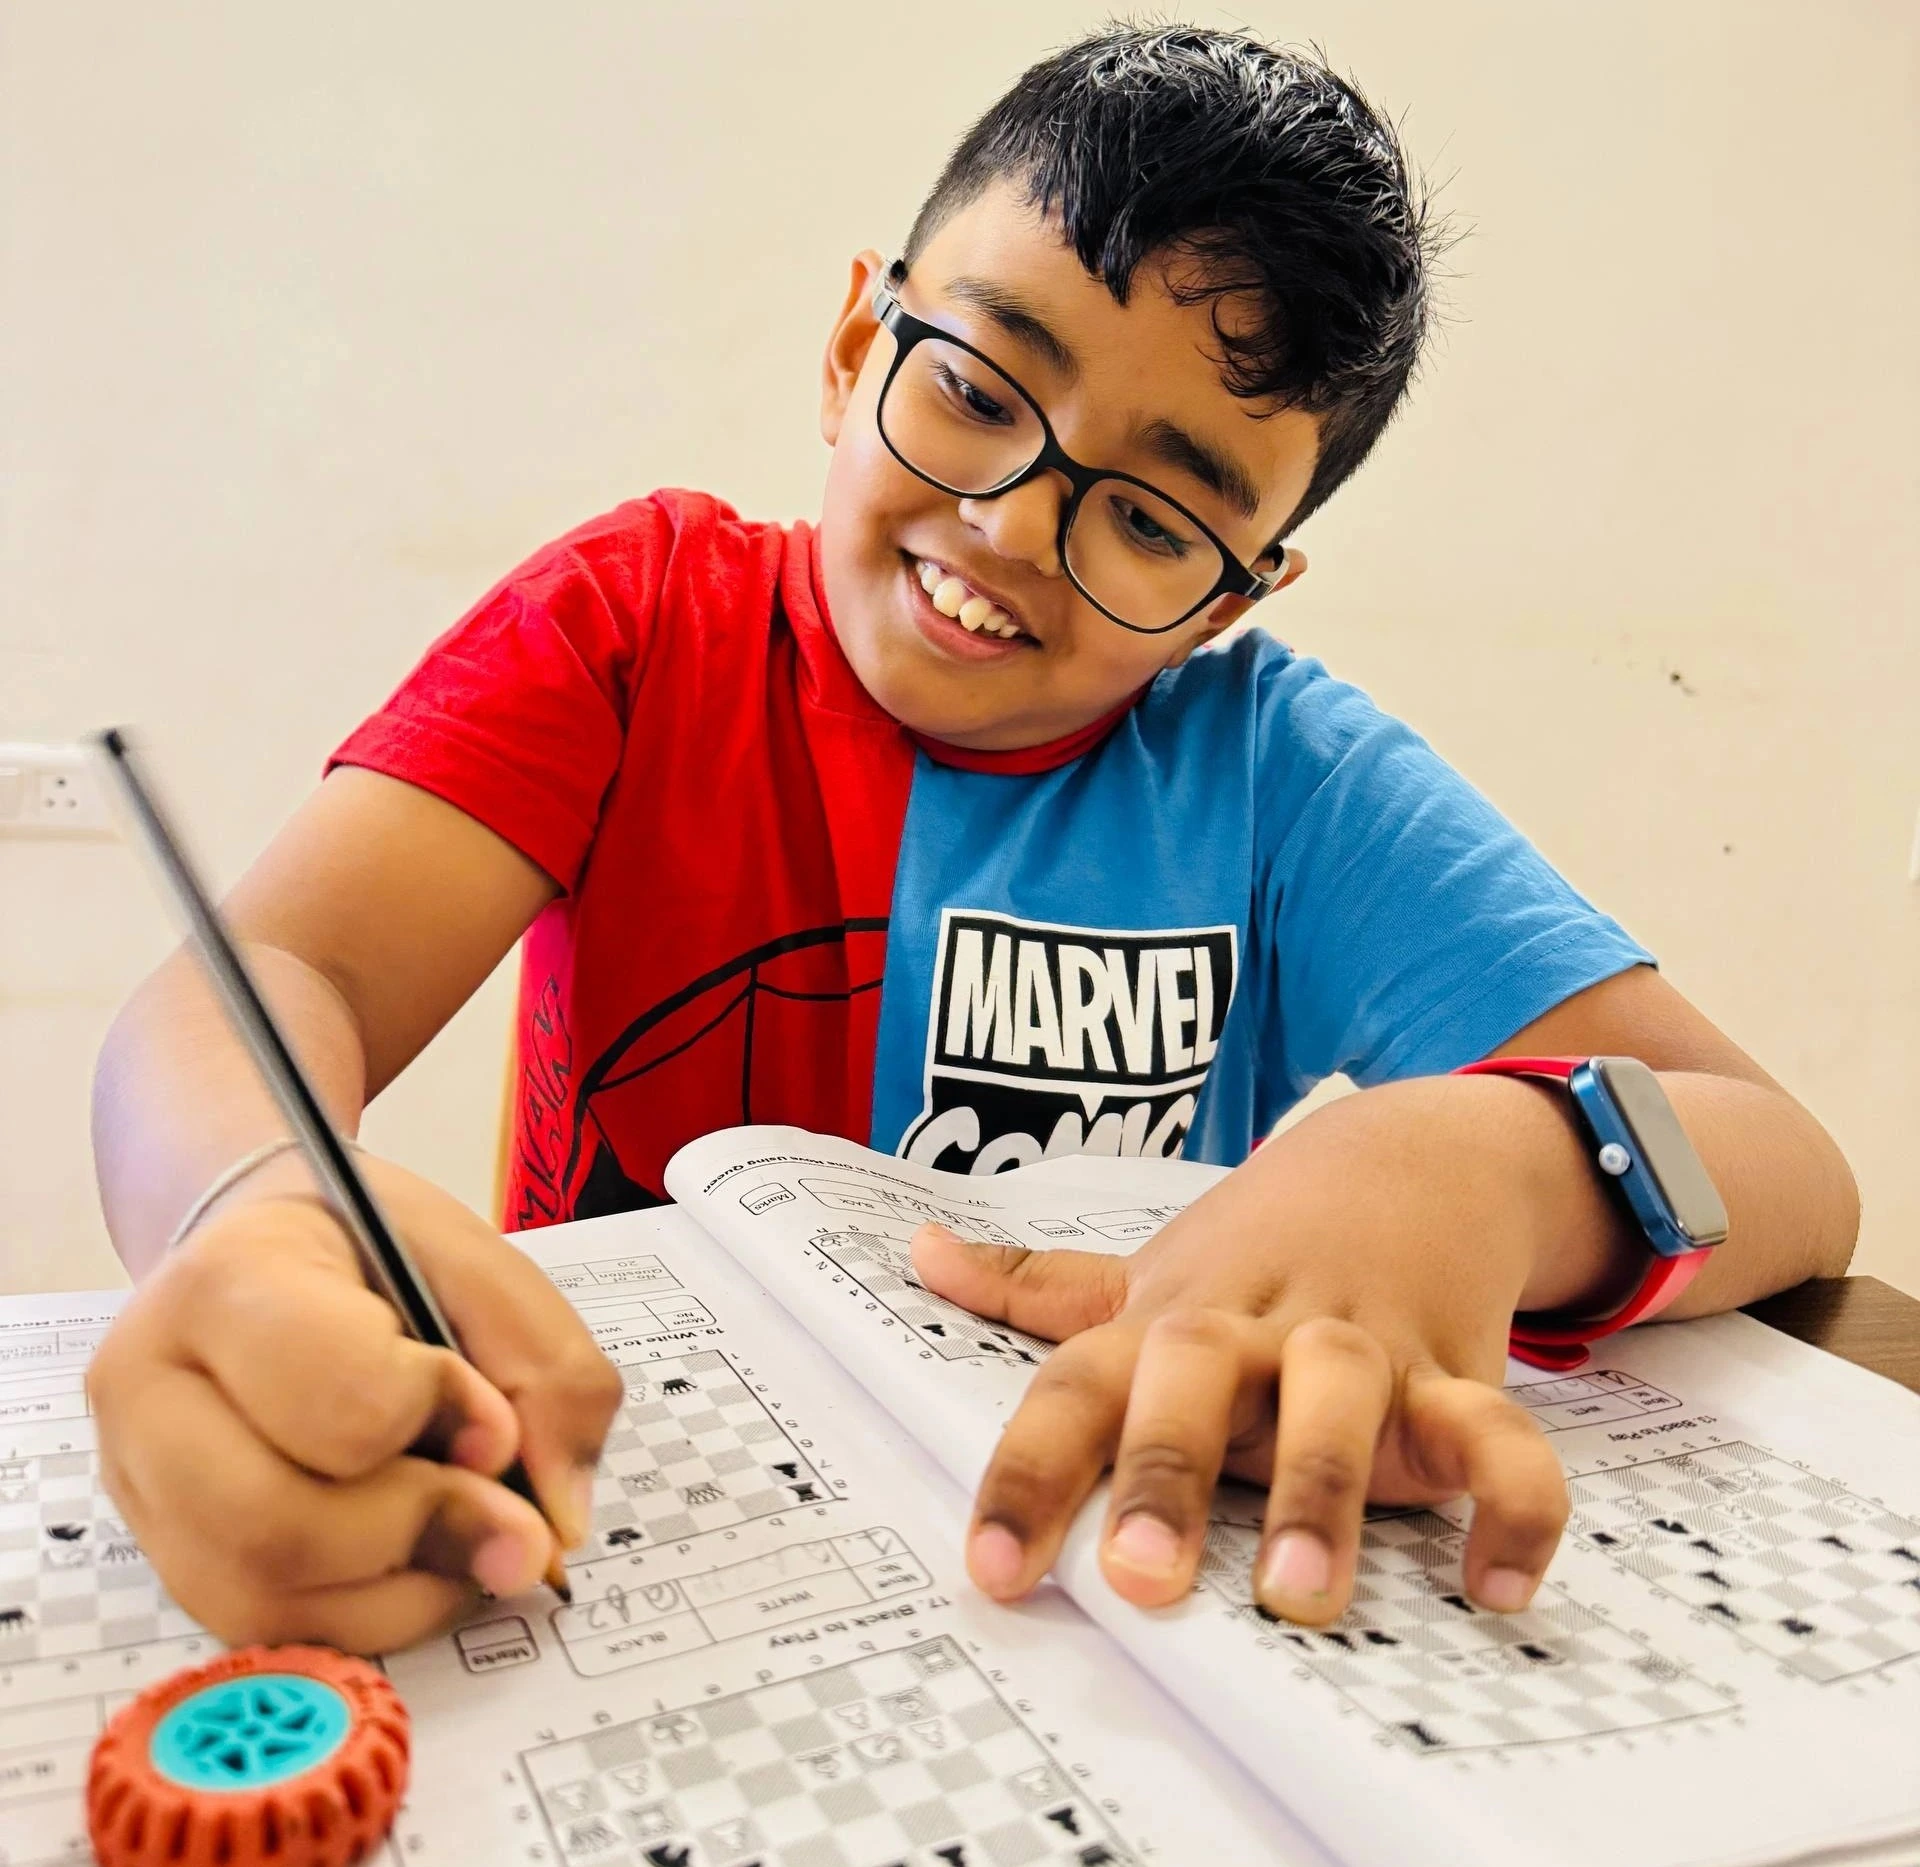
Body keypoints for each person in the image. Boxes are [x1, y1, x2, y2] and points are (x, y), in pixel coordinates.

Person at [88, 24, 1856, 1655]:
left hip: (1091, 1594)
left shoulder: (1283, 780)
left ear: (1239, 598)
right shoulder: (638, 624)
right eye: (976, 389)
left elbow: (1786, 1161)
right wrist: (253, 1202)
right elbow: (266, 980)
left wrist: (1484, 1162)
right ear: (861, 341)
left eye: (1156, 518)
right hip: (613, 1533)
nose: (1009, 524)